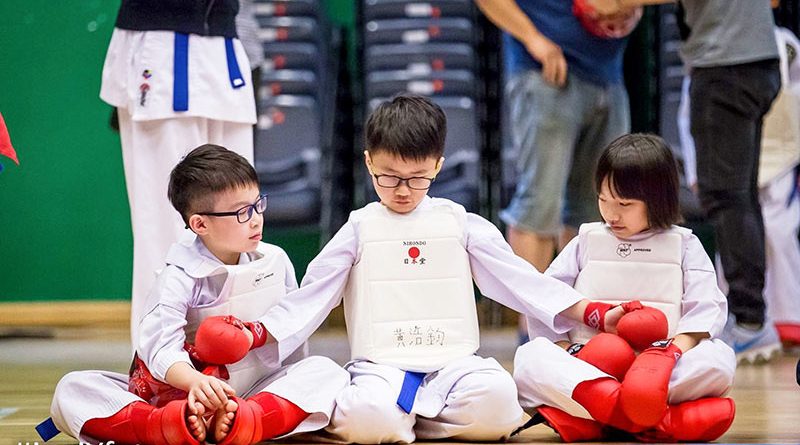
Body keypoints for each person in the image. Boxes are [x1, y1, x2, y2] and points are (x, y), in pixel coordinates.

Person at [255, 95, 640, 443]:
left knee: (500, 404)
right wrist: (258, 333)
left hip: (454, 366)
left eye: (417, 177)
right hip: (383, 368)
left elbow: (520, 280)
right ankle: (396, 417)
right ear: (369, 160)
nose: (403, 190)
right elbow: (312, 295)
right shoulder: (359, 226)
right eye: (388, 177)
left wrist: (592, 312)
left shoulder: (460, 222)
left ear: (438, 166)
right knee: (369, 418)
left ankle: (407, 421)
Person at [40, 145, 349, 445]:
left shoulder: (275, 259)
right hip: (182, 398)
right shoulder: (178, 276)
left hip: (251, 392)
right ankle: (164, 426)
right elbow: (159, 348)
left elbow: (291, 331)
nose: (256, 219)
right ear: (199, 224)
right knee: (72, 389)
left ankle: (247, 420)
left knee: (326, 372)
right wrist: (196, 383)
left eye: (258, 204)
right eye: (242, 212)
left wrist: (274, 366)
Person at [589, 0, 781, 361]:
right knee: (740, 195)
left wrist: (617, 3)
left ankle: (750, 322)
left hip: (726, 63)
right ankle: (754, 319)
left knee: (725, 195)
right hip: (758, 60)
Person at [514, 133, 737, 442]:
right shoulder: (586, 241)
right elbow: (547, 297)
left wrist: (668, 353)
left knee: (719, 361)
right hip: (592, 365)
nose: (611, 214)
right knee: (529, 360)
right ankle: (655, 421)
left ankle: (602, 417)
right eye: (603, 200)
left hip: (662, 366)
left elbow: (705, 309)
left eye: (624, 204)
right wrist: (570, 350)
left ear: (658, 200)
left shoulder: (685, 245)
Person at [100, 0, 258, 345]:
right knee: (164, 226)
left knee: (241, 216)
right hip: (161, 44)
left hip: (225, 43)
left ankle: (238, 354)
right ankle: (161, 362)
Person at [474, 0, 633, 274]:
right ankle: (533, 317)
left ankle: (580, 313)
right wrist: (532, 38)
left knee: (598, 210)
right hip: (544, 73)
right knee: (540, 205)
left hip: (608, 74)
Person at [677, 26, 800, 359]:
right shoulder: (711, 45)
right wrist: (694, 170)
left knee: (779, 230)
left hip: (780, 154)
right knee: (731, 221)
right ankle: (735, 318)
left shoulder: (787, 44)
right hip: (730, 154)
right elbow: (690, 115)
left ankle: (785, 318)